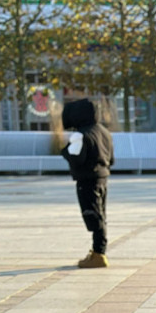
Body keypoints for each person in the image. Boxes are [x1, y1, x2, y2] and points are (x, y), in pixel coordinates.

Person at [60, 98, 115, 268]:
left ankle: (99, 254)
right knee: (100, 215)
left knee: (92, 214)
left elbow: (77, 158)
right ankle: (98, 250)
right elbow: (111, 159)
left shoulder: (80, 135)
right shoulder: (104, 132)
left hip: (87, 180)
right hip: (102, 178)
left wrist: (64, 151)